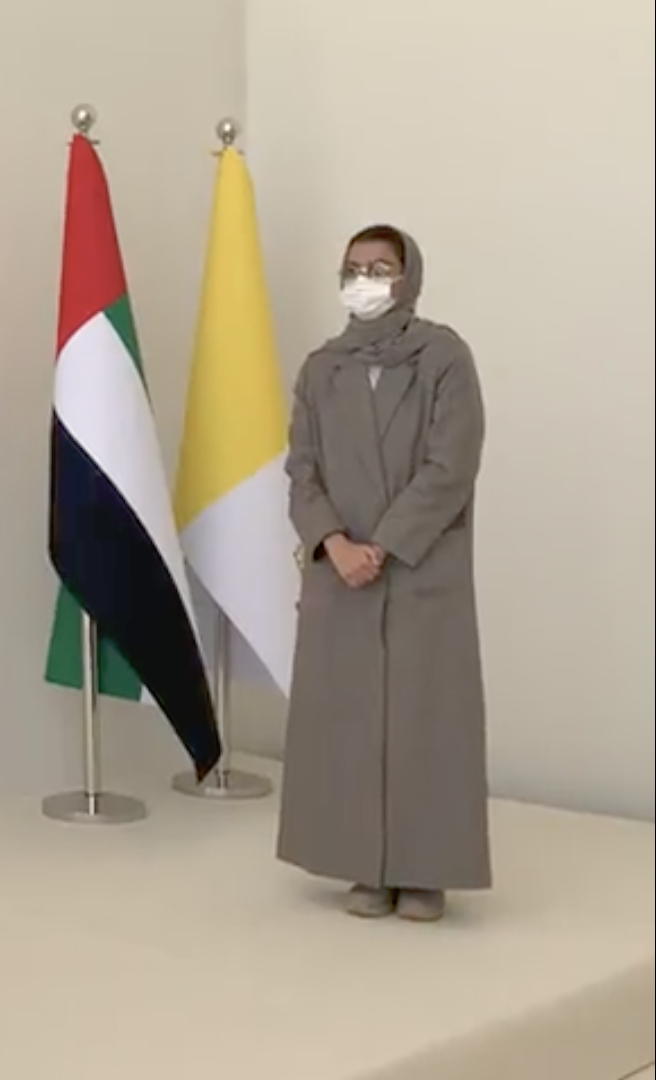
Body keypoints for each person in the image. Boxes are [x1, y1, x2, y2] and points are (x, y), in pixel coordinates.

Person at [276, 223, 489, 923]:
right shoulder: (321, 369)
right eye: (354, 268)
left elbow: (451, 464)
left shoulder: (444, 358)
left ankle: (425, 869)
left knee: (426, 720)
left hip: (421, 569)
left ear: (409, 277)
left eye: (380, 267)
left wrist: (387, 544)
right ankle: (362, 863)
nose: (365, 280)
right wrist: (334, 543)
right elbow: (302, 469)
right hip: (340, 571)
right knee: (349, 721)